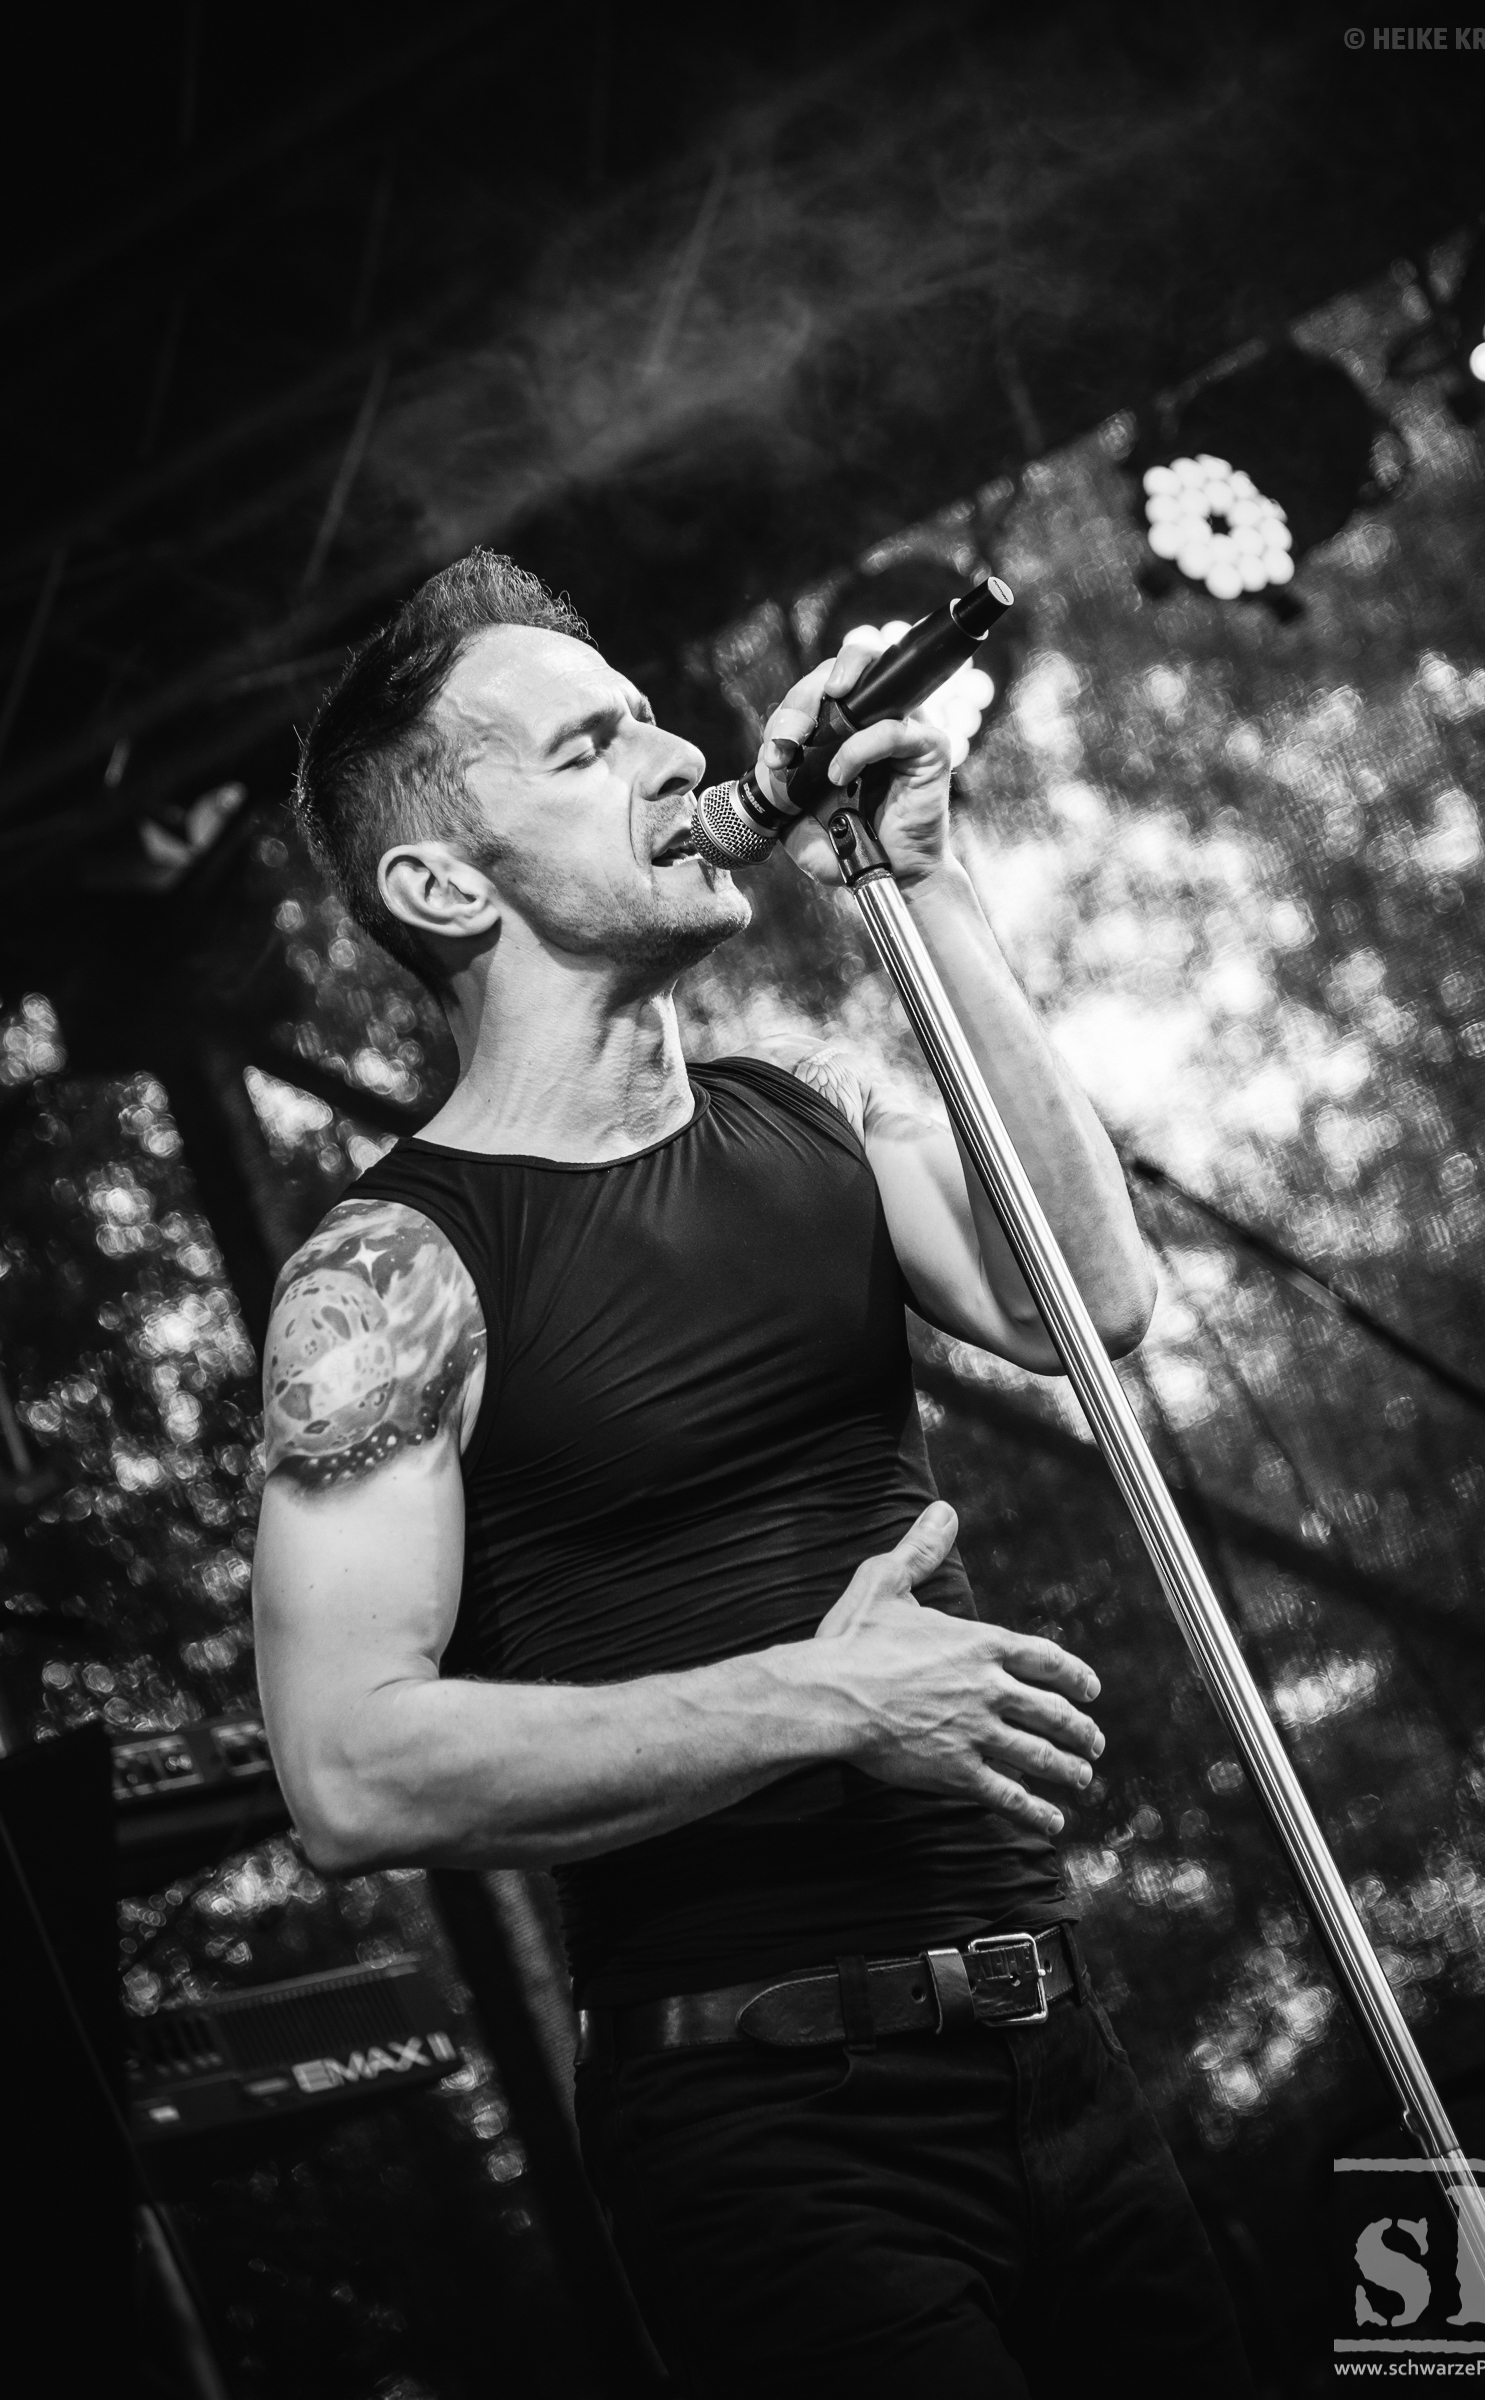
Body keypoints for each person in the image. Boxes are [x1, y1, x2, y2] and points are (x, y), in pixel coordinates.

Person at [254, 549, 1254, 2394]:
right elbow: (347, 1772)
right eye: (586, 747)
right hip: (766, 2132)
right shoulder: (392, 1274)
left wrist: (925, 877)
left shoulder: (803, 1114)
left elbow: (1089, 1299)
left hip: (1056, 2052)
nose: (672, 754)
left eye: (648, 716)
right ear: (441, 884)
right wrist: (822, 1699)